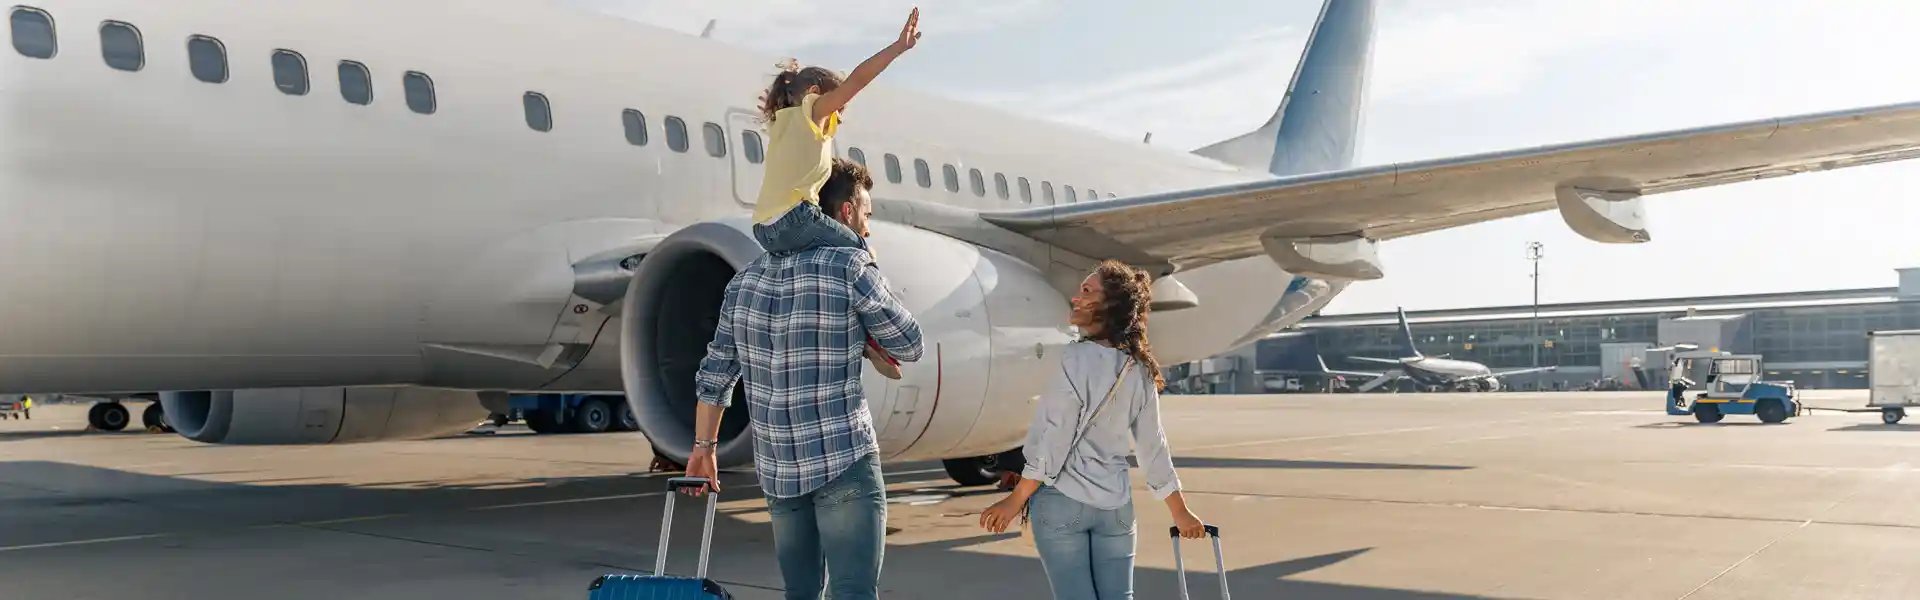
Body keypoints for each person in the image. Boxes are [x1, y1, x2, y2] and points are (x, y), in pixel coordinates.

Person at [686, 159, 924, 600]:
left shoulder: (744, 282)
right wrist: (869, 275)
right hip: (843, 459)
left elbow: (715, 376)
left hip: (779, 470)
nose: (867, 229)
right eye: (866, 216)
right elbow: (909, 343)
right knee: (852, 592)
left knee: (799, 593)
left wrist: (704, 449)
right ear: (847, 213)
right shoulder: (850, 264)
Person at [979, 260, 1206, 600]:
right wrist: (1180, 512)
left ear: (1109, 306)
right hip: (1115, 507)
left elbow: (1055, 438)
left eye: (1086, 291)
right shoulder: (1138, 368)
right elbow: (1152, 446)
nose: (1075, 298)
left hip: (1061, 501)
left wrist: (1016, 498)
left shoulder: (1073, 360)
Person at [751, 8, 918, 258]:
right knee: (862, 249)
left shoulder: (783, 121)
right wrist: (897, 48)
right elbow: (857, 80)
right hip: (795, 219)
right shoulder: (814, 110)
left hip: (764, 229)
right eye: (838, 107)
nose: (839, 116)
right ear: (815, 92)